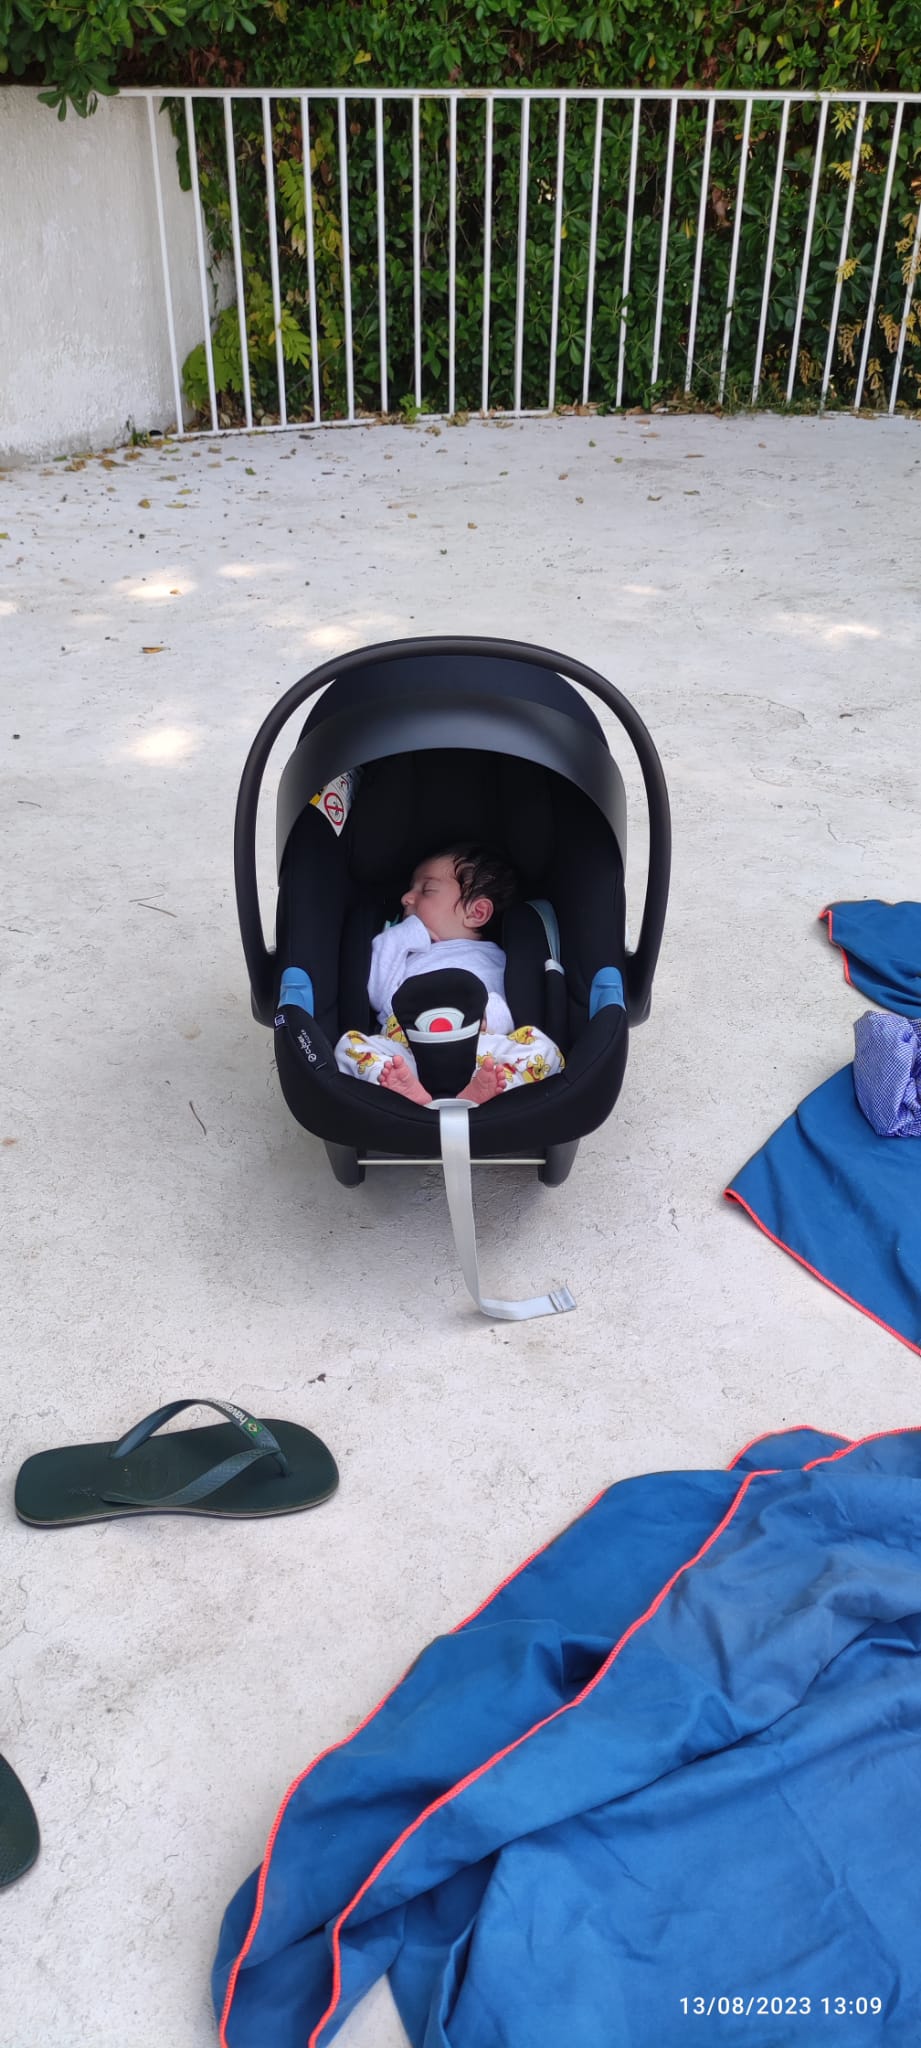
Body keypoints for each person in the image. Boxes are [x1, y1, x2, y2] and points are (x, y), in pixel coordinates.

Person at [334, 844, 564, 1106]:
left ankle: (492, 1088)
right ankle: (405, 1090)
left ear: (477, 912)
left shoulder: (495, 957)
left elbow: (512, 1006)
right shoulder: (406, 953)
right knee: (348, 1047)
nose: (406, 898)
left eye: (426, 890)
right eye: (410, 889)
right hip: (407, 1050)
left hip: (479, 1051)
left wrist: (488, 1015)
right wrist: (402, 937)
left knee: (544, 1050)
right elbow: (377, 994)